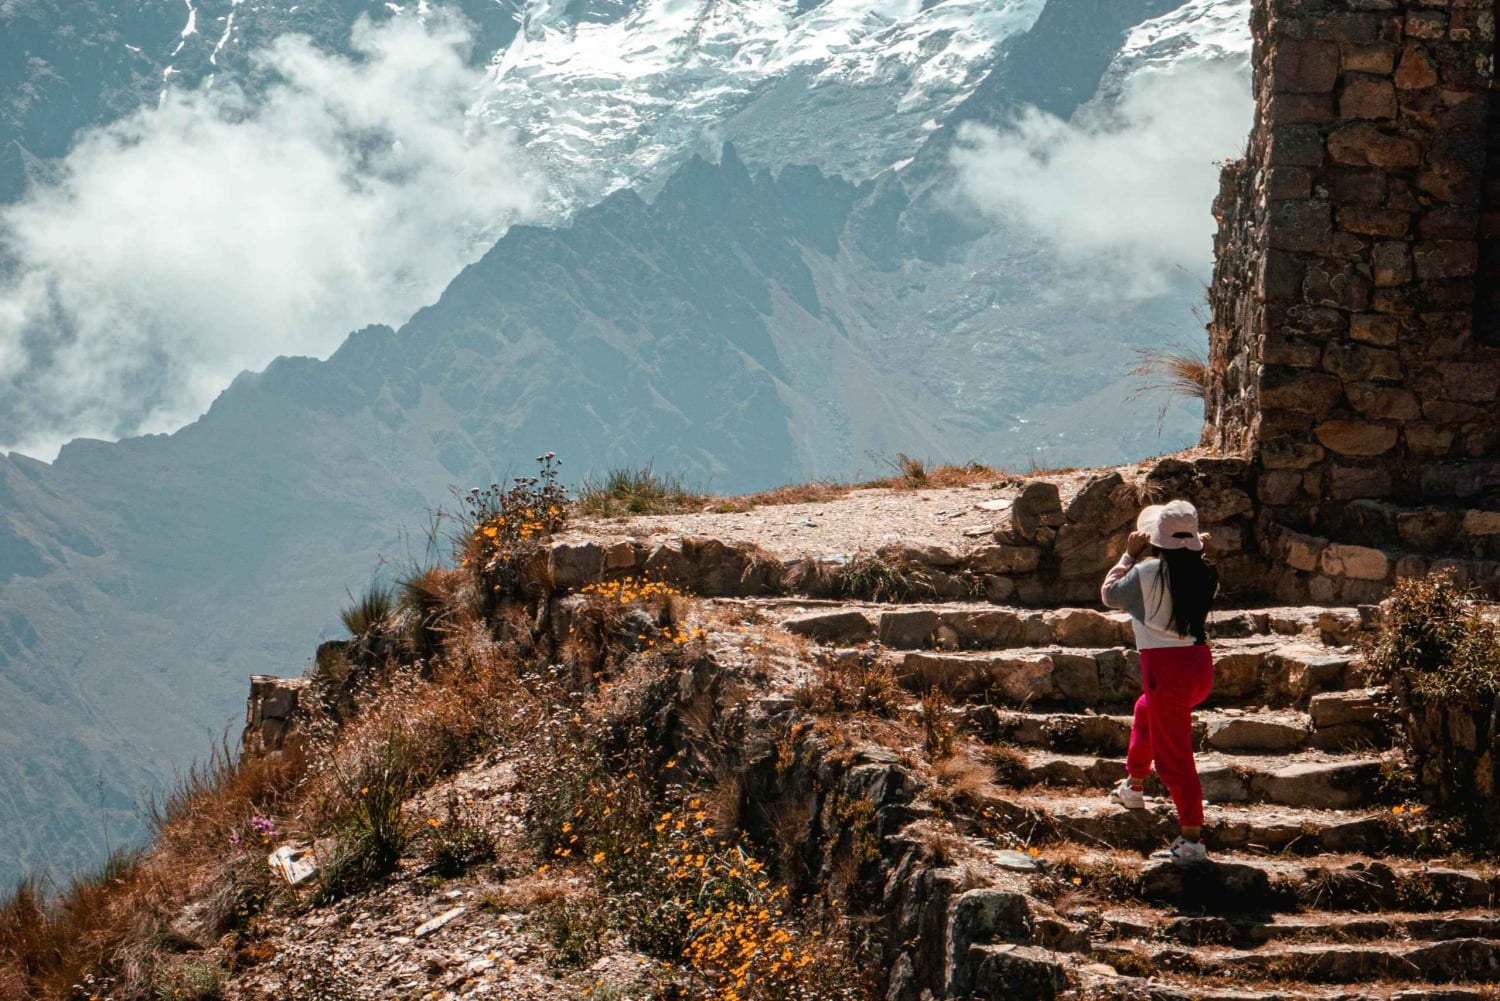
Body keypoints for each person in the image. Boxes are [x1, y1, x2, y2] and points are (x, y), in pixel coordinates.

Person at [1100, 499, 1219, 864]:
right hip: (1198, 667)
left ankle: (1192, 840)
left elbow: (1109, 595)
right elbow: (1188, 572)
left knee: (1174, 760)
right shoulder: (1208, 573)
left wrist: (1128, 556)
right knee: (1144, 711)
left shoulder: (1147, 573)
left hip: (1165, 671)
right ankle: (1133, 785)